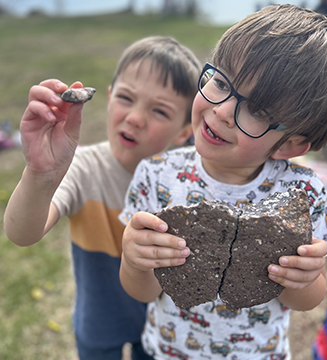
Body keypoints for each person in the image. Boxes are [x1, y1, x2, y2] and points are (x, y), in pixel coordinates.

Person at [118, 5, 327, 360]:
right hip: (166, 352)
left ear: (291, 144)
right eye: (221, 82)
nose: (223, 111)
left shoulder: (305, 194)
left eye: (258, 111)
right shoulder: (157, 175)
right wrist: (135, 262)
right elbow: (142, 292)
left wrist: (303, 279)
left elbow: (307, 301)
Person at [3, 36, 201, 360]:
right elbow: (21, 233)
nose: (135, 117)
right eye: (126, 97)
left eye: (160, 111)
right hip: (97, 322)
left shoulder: (184, 185)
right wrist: (40, 174)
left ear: (184, 132)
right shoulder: (83, 167)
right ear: (109, 99)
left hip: (161, 324)